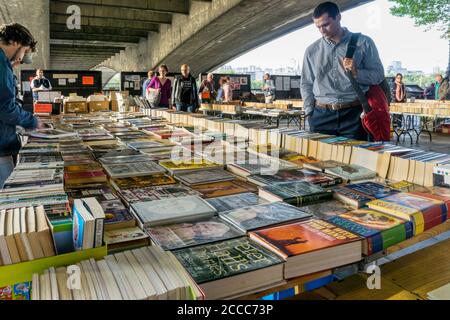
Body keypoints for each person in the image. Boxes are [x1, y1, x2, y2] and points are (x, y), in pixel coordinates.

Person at [300, 1, 385, 141]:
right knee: (319, 161)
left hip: (354, 114)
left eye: (326, 24)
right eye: (318, 27)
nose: (322, 30)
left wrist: (357, 73)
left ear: (338, 17)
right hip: (321, 116)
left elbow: (378, 75)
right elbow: (306, 84)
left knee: (358, 159)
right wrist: (310, 113)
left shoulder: (364, 43)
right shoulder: (311, 51)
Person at [0, 23, 42, 188]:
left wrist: (9, 69)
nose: (22, 57)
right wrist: (33, 122)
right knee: (7, 196)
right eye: (25, 50)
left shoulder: (4, 64)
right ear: (15, 43)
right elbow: (5, 107)